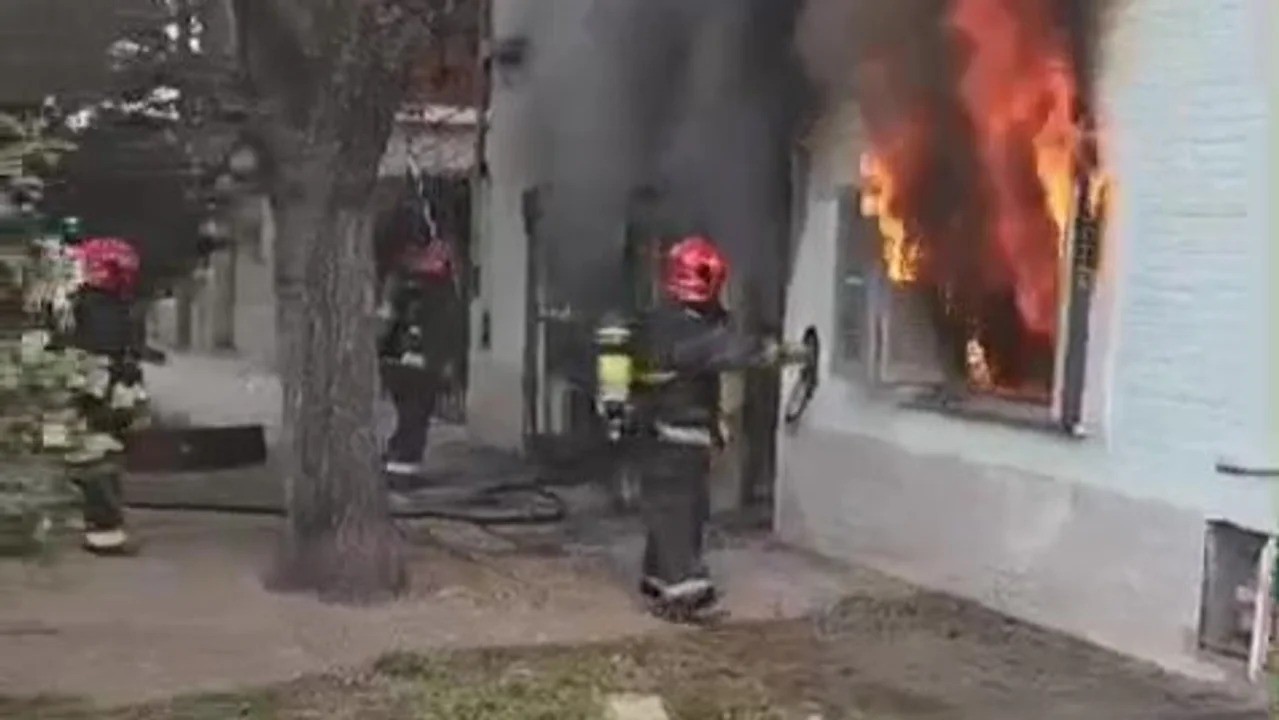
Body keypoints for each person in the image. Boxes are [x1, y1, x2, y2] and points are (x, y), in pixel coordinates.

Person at [630, 234, 800, 622]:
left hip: (661, 431)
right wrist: (784, 352)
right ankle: (683, 586)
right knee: (680, 509)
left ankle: (656, 575)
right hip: (674, 434)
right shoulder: (688, 332)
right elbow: (727, 351)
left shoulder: (662, 321)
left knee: (668, 506)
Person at [63, 231, 146, 555]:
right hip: (109, 391)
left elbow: (90, 350)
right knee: (100, 458)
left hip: (96, 391)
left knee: (95, 459)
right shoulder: (116, 307)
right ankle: (102, 526)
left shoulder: (92, 306)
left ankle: (103, 531)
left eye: (90, 266)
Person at [377, 236, 460, 477]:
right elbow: (450, 330)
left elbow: (388, 321)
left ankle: (401, 458)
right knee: (414, 414)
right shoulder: (439, 292)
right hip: (420, 364)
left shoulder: (403, 284)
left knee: (411, 414)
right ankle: (404, 461)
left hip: (406, 362)